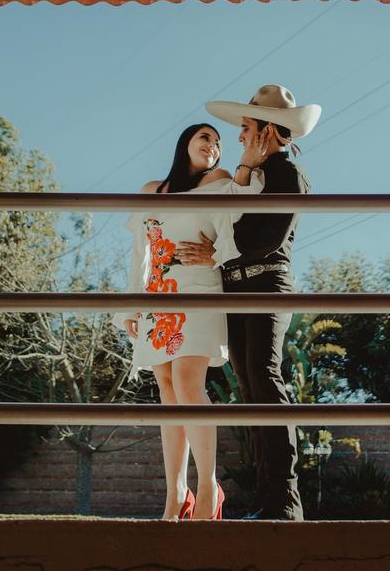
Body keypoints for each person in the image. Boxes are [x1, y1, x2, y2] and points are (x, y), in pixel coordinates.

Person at [178, 84, 321, 521]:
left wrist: (219, 251)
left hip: (266, 286)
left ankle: (285, 501)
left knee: (264, 380)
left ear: (268, 131)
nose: (239, 136)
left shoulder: (287, 176)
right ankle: (268, 499)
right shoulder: (245, 177)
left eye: (246, 127)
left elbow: (261, 239)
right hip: (236, 291)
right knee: (250, 388)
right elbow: (221, 231)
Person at [121, 122, 255, 521]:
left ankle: (207, 487)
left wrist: (215, 254)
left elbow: (238, 226)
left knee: (187, 383)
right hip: (158, 295)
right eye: (204, 138)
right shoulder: (151, 192)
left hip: (199, 289)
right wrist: (131, 306)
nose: (213, 147)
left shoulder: (220, 180)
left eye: (217, 142)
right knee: (165, 389)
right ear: (185, 144)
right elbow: (140, 254)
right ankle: (175, 494)